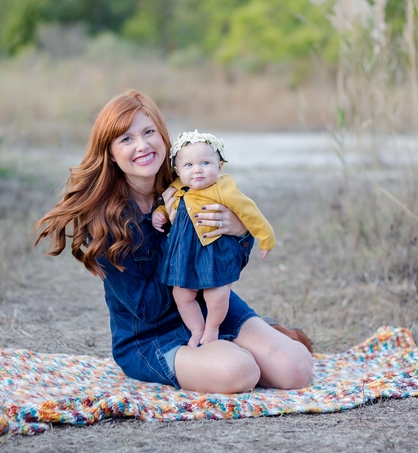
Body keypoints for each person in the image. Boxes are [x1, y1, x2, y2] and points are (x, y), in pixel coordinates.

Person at [34, 90, 313, 393]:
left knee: (296, 371)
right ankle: (247, 349)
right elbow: (149, 307)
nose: (142, 145)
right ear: (111, 153)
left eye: (148, 131)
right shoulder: (104, 222)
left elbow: (224, 266)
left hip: (212, 310)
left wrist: (238, 233)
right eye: (126, 139)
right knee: (239, 371)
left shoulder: (191, 180)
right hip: (153, 336)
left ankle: (263, 339)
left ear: (163, 135)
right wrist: (175, 232)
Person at [152, 130, 275, 348]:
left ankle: (212, 328)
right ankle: (197, 328)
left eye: (205, 163)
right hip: (184, 256)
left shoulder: (223, 189)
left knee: (217, 295)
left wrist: (265, 237)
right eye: (189, 165)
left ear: (219, 166)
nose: (197, 170)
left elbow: (249, 212)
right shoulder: (177, 188)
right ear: (177, 170)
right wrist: (159, 214)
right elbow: (166, 207)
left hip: (213, 253)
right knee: (182, 295)